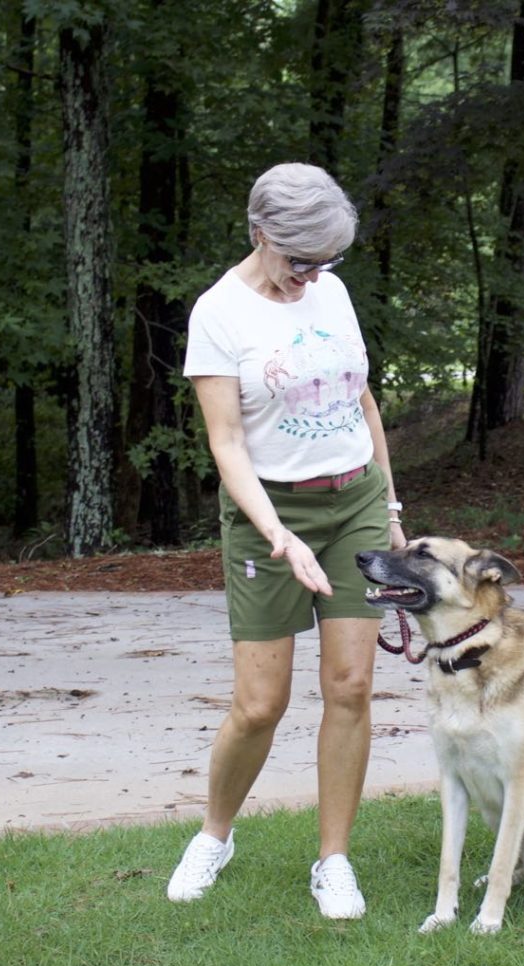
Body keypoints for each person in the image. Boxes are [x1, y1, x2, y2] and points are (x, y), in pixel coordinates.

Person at [166, 162, 406, 919]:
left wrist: (391, 503)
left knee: (352, 686)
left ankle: (332, 859)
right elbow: (227, 443)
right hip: (268, 510)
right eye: (300, 260)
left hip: (355, 500)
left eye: (325, 261)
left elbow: (359, 398)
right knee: (260, 703)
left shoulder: (329, 292)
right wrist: (278, 536)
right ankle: (214, 832)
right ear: (260, 234)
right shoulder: (218, 313)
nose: (313, 275)